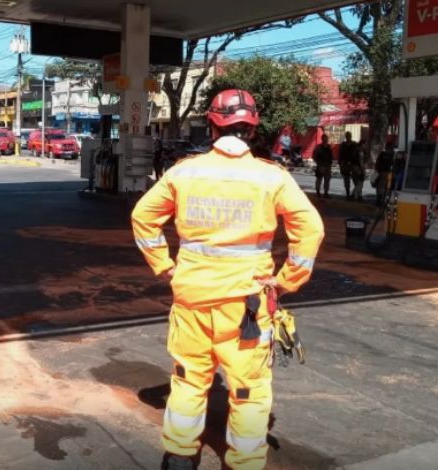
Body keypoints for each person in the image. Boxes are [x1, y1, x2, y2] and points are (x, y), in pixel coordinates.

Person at [131, 89, 324, 470]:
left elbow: (143, 217)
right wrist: (287, 280)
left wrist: (164, 264)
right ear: (253, 129)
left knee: (188, 379)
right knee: (248, 390)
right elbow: (311, 230)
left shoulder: (185, 171)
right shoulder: (272, 178)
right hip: (248, 305)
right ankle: (244, 462)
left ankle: (180, 456)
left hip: (191, 299)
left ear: (212, 124)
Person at [338, 132, 359, 200]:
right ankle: (348, 194)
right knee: (346, 180)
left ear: (351, 136)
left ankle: (356, 194)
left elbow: (358, 154)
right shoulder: (343, 145)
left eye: (349, 136)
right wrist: (340, 164)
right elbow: (340, 155)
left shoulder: (355, 144)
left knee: (356, 180)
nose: (348, 137)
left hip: (353, 164)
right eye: (347, 136)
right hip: (345, 164)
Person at [375, 142, 395, 207]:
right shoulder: (393, 155)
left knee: (381, 187)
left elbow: (377, 163)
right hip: (390, 174)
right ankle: (385, 202)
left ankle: (379, 201)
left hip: (382, 173)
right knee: (388, 188)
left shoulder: (382, 154)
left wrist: (377, 171)